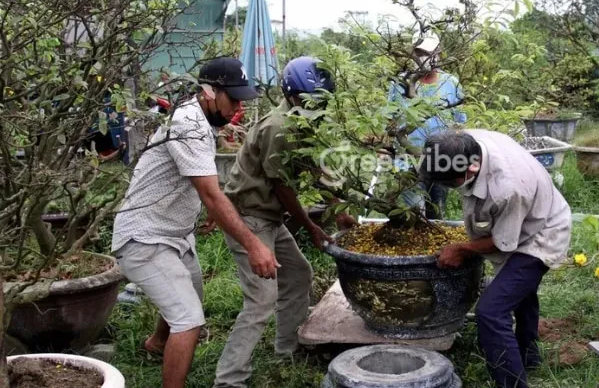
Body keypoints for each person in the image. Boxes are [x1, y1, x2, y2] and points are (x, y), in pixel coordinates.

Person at [111, 57, 280, 388]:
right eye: (232, 99)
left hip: (173, 234)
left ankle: (157, 344)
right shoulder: (189, 125)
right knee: (189, 320)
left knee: (189, 296)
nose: (236, 109)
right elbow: (212, 194)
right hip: (145, 238)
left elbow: (200, 186)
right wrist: (254, 244)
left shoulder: (200, 118)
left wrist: (203, 211)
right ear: (208, 91)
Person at [213, 56, 357, 388]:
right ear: (291, 95)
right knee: (261, 299)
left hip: (268, 216)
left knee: (299, 273)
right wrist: (312, 226)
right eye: (309, 100)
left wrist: (339, 206)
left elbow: (311, 170)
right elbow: (284, 186)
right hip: (249, 218)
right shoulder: (279, 127)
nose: (315, 107)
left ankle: (288, 348)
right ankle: (229, 380)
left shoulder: (303, 123)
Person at [419, 129, 572, 388]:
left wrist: (462, 248)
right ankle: (528, 356)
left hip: (541, 233)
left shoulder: (507, 188)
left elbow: (504, 242)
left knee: (491, 311)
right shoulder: (461, 143)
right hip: (527, 211)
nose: (445, 188)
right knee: (519, 291)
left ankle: (511, 382)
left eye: (448, 183)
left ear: (471, 169)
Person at [388, 34, 466, 219]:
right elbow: (390, 118)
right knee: (415, 211)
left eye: (429, 52)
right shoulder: (400, 83)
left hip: (441, 159)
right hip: (407, 160)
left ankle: (438, 248)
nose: (424, 57)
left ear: (438, 54)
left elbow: (459, 123)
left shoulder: (450, 83)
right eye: (420, 52)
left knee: (437, 210)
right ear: (412, 53)